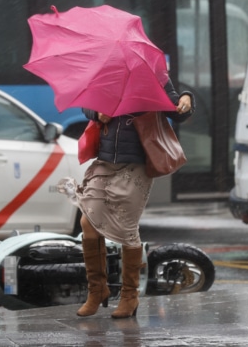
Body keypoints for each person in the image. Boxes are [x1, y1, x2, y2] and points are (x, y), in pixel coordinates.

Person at [58, 78, 195, 319]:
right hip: (105, 161)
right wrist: (97, 113)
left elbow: (177, 111)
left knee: (126, 228)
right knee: (88, 222)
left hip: (137, 164)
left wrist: (186, 99)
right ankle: (97, 290)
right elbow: (86, 106)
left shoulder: (153, 76)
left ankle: (130, 296)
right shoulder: (106, 75)